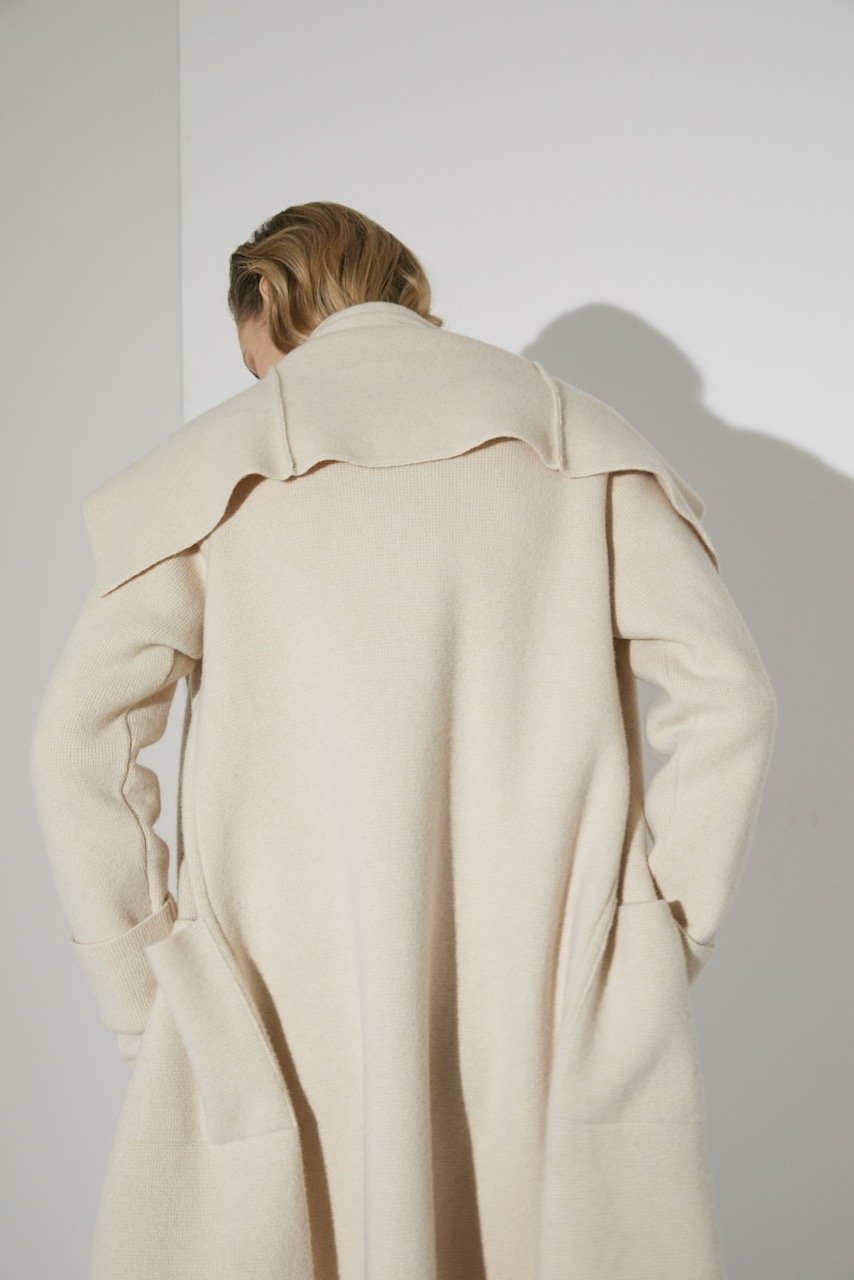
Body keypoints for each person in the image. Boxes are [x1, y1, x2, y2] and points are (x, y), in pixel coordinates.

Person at [29, 200, 777, 1280]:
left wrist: (145, 989)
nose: (263, 383)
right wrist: (657, 941)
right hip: (544, 995)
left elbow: (79, 743)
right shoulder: (580, 444)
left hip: (278, 1003)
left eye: (253, 355)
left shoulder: (213, 470)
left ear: (272, 303)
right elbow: (729, 695)